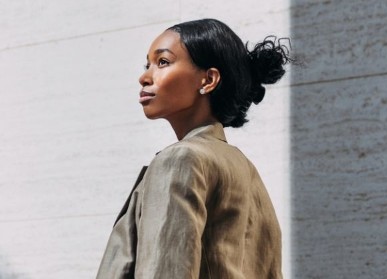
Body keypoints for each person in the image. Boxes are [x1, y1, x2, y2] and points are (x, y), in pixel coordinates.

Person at [96, 18, 292, 279]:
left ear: (208, 80)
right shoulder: (247, 172)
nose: (144, 77)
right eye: (147, 65)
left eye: (163, 62)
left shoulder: (180, 159)